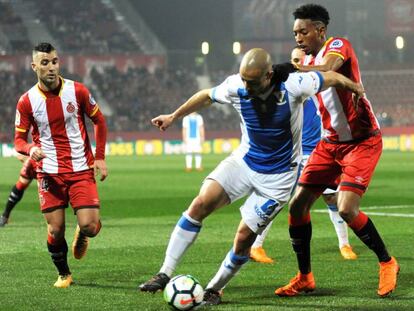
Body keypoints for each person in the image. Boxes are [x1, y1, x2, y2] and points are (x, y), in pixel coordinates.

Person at [138, 48, 364, 305]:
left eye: (252, 82)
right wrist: (174, 116)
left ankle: (214, 289)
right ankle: (164, 273)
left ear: (269, 75)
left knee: (244, 237)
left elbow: (331, 77)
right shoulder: (236, 86)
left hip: (277, 180)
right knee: (200, 203)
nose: (247, 86)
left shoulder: (296, 84)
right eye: (244, 80)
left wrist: (354, 86)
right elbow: (206, 96)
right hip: (243, 162)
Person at [275, 4, 399, 298]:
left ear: (320, 29)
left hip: (362, 141)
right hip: (329, 144)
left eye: (303, 31)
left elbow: (329, 68)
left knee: (346, 208)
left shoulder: (337, 45)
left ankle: (387, 262)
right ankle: (305, 277)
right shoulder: (305, 61)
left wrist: (293, 67)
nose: (298, 38)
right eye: (295, 33)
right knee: (297, 206)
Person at [13, 42, 108, 288]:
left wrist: (100, 157)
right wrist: (30, 149)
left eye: (54, 61)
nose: (51, 67)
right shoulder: (26, 101)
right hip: (49, 173)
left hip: (80, 170)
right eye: (45, 63)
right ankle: (64, 273)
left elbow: (99, 121)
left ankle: (83, 233)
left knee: (90, 226)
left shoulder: (78, 91)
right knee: (55, 230)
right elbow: (18, 141)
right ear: (34, 66)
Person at [250, 47, 357, 263]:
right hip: (294, 155)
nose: (295, 64)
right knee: (277, 199)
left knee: (331, 197)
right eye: (293, 60)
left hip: (318, 152)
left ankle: (344, 244)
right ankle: (256, 246)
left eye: (300, 60)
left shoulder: (316, 86)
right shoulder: (284, 89)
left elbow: (334, 82)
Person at [0, 154, 36, 227]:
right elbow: (19, 147)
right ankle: (5, 216)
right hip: (36, 158)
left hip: (54, 159)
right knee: (21, 184)